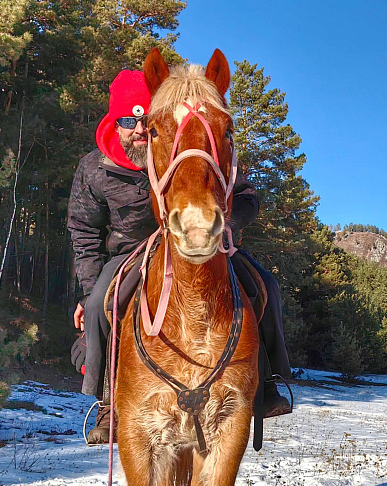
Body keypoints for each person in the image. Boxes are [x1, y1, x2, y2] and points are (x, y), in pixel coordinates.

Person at [68, 69, 292, 445]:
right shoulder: (95, 168)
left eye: (145, 119)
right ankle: (107, 401)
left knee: (264, 286)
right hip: (129, 252)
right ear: (113, 122)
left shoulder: (184, 141)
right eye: (127, 120)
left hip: (199, 238)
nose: (138, 129)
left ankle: (267, 383)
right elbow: (84, 231)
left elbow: (247, 196)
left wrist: (227, 223)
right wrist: (90, 287)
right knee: (96, 306)